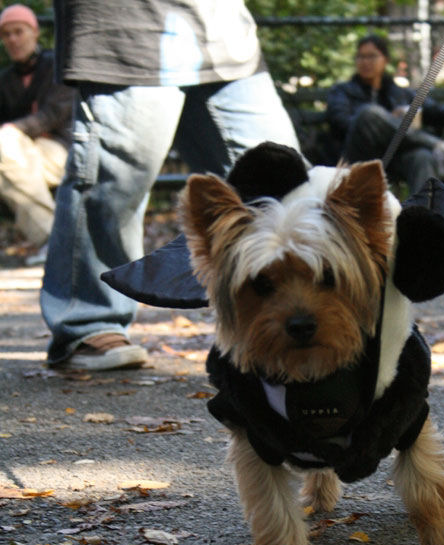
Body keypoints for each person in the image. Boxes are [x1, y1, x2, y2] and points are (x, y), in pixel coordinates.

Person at [40, 0, 300, 371]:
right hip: (125, 26)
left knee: (285, 180)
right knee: (115, 178)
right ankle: (87, 322)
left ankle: (296, 320)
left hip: (222, 30)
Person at [326, 34, 444, 194]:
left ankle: (422, 217)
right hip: (359, 158)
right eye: (361, 57)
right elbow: (340, 122)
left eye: (372, 56)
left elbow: (432, 111)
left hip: (394, 157)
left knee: (422, 157)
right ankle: (436, 145)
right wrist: (384, 120)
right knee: (368, 113)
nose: (365, 62)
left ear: (385, 60)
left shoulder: (399, 93)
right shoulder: (342, 92)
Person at [0, 4, 73, 262]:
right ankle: (58, 243)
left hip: (61, 150)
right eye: (6, 34)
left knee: (4, 143)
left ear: (34, 32)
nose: (12, 39)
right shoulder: (5, 81)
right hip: (18, 157)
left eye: (18, 31)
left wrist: (14, 130)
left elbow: (53, 115)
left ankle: (52, 240)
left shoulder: (56, 66)